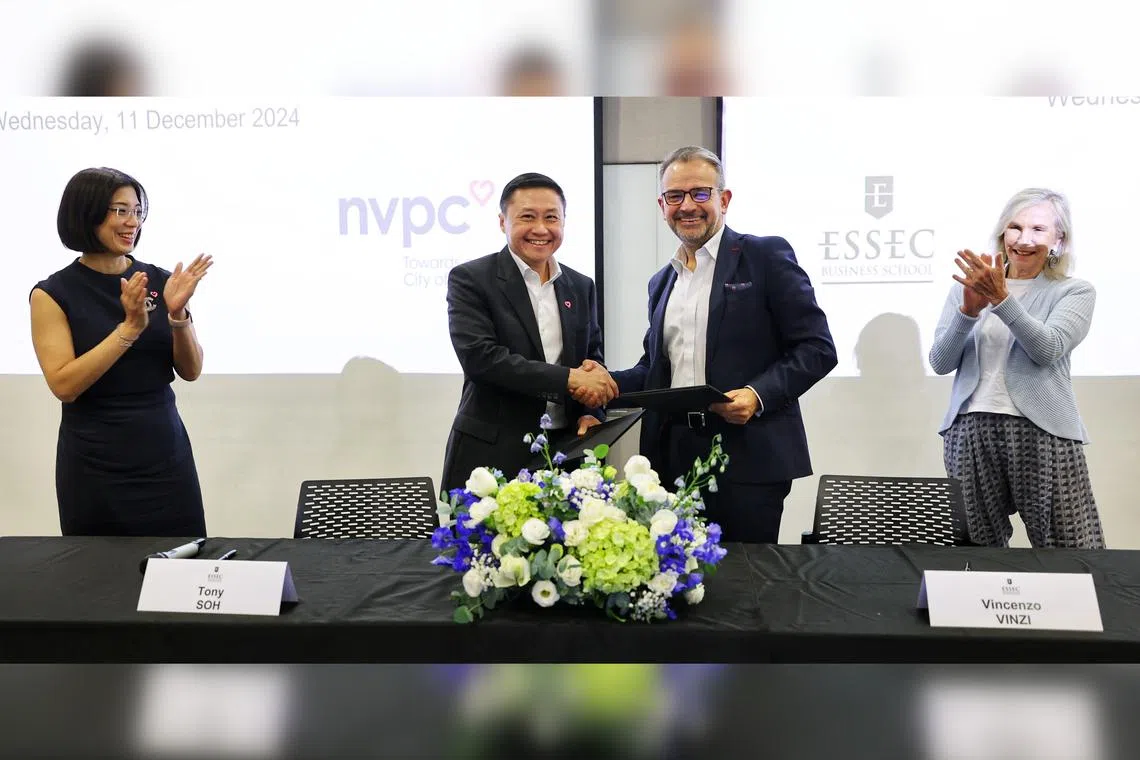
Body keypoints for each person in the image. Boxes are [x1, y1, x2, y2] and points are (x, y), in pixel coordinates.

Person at [609, 146, 837, 543]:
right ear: (662, 205)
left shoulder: (764, 255)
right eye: (675, 197)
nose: (687, 206)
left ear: (724, 199)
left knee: (747, 589)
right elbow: (654, 371)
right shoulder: (662, 281)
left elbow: (817, 348)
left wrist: (756, 394)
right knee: (679, 583)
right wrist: (597, 384)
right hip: (673, 456)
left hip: (750, 456)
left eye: (700, 193)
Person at [30, 167, 213, 536]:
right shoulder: (52, 294)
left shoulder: (161, 281)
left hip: (165, 455)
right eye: (120, 211)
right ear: (86, 214)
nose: (132, 222)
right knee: (101, 582)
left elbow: (191, 370)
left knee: (180, 568)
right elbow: (64, 385)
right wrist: (129, 329)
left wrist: (178, 316)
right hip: (95, 465)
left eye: (137, 211)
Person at [929, 188, 1104, 548]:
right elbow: (941, 362)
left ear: (1059, 240)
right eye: (1015, 227)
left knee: (1067, 545)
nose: (1024, 240)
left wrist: (1002, 299)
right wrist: (968, 312)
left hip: (1042, 431)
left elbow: (1047, 349)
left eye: (1038, 230)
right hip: (970, 426)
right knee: (978, 547)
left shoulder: (1074, 291)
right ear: (1002, 233)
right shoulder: (970, 287)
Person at [441, 172, 617, 495]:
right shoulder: (471, 279)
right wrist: (569, 379)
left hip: (567, 458)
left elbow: (591, 360)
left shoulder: (580, 287)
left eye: (552, 217)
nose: (541, 229)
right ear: (502, 222)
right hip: (492, 457)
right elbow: (483, 360)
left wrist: (593, 412)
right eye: (527, 217)